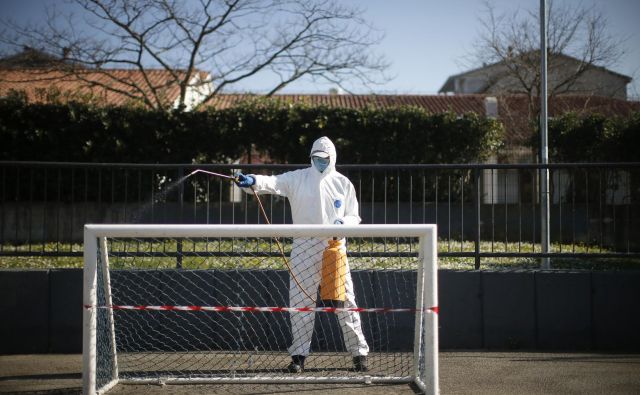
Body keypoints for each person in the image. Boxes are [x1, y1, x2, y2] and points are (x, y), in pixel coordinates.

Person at [235, 136, 369, 373]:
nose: (320, 162)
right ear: (311, 158)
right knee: (300, 303)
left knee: (346, 302)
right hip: (304, 248)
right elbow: (274, 182)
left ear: (333, 159)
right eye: (316, 159)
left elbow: (354, 215)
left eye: (324, 159)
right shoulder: (298, 178)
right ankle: (298, 356)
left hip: (334, 250)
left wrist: (343, 222)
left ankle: (359, 354)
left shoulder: (343, 183)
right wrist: (253, 180)